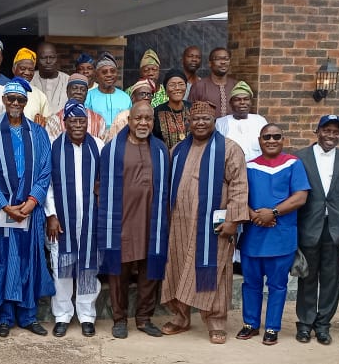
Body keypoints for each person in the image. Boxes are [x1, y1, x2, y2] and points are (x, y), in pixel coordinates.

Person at [161, 101, 249, 344]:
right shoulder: (177, 150)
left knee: (216, 272)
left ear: (214, 121)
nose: (200, 123)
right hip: (180, 223)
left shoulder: (230, 149)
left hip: (213, 226)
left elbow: (239, 186)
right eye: (195, 119)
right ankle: (181, 317)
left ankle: (216, 322)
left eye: (205, 119)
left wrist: (233, 219)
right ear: (188, 122)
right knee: (178, 268)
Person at [0, 80, 55, 336]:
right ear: (4, 100)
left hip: (30, 210)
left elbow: (45, 169)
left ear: (26, 103)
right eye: (11, 98)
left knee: (30, 259)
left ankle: (28, 316)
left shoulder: (38, 133)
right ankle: (4, 317)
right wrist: (4, 205)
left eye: (20, 99)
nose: (15, 103)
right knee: (5, 260)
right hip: (4, 212)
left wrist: (33, 201)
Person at [98, 100, 171, 339]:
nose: (143, 123)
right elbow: (100, 186)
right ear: (129, 121)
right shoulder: (112, 150)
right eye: (138, 118)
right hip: (122, 221)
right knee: (119, 272)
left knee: (150, 272)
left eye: (148, 118)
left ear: (153, 121)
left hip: (152, 221)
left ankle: (144, 318)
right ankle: (119, 319)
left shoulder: (160, 150)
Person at [238, 123, 310, 345]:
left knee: (278, 285)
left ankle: (272, 327)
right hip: (253, 236)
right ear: (260, 141)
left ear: (283, 139)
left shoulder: (293, 164)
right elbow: (238, 194)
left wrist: (273, 212)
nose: (271, 140)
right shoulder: (249, 166)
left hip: (281, 237)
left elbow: (300, 197)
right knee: (251, 283)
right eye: (266, 137)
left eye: (276, 136)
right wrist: (253, 214)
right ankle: (250, 323)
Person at [294, 114, 339, 345]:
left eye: (336, 132)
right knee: (307, 278)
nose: (331, 135)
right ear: (317, 131)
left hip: (336, 230)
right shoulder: (300, 157)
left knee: (332, 280)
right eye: (327, 130)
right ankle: (305, 324)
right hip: (308, 227)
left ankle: (323, 325)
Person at [45, 101, 102, 337]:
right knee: (62, 268)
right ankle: (62, 315)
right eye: (73, 121)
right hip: (62, 219)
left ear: (87, 123)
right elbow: (47, 184)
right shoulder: (53, 147)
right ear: (65, 123)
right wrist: (51, 214)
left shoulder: (98, 146)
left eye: (82, 121)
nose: (78, 125)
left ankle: (87, 315)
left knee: (88, 266)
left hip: (90, 218)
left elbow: (105, 180)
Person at [215, 82, 267, 160]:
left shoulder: (260, 121)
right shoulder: (221, 123)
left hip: (257, 166)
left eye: (246, 99)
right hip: (231, 166)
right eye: (237, 100)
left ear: (251, 102)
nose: (242, 102)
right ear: (230, 103)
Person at [187, 47, 237, 117]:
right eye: (218, 59)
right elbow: (189, 114)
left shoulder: (235, 85)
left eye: (226, 59)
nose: (223, 62)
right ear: (210, 63)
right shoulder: (199, 86)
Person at [85, 53, 131, 128]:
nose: (109, 75)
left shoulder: (125, 98)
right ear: (97, 75)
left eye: (113, 71)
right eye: (104, 72)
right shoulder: (88, 97)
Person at [152, 70, 190, 149]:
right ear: (165, 89)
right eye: (172, 85)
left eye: (181, 84)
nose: (177, 88)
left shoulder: (193, 109)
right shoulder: (156, 112)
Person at [11, 49, 51, 124]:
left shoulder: (40, 96)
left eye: (31, 70)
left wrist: (41, 124)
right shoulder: (2, 91)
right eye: (23, 69)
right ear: (14, 69)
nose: (27, 73)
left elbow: (47, 122)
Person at [32, 41, 68, 114]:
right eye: (43, 58)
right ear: (37, 59)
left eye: (52, 57)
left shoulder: (68, 81)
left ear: (57, 58)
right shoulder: (30, 79)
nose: (48, 61)